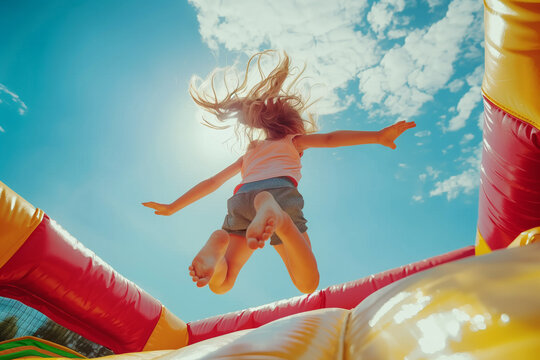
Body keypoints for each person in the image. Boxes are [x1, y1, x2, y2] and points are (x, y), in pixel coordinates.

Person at [143, 50, 416, 295]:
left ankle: (218, 249)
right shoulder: (293, 141)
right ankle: (279, 219)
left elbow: (213, 182)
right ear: (292, 127)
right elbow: (331, 139)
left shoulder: (251, 150)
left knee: (223, 285)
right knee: (307, 283)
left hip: (240, 201)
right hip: (276, 197)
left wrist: (172, 207)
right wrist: (378, 135)